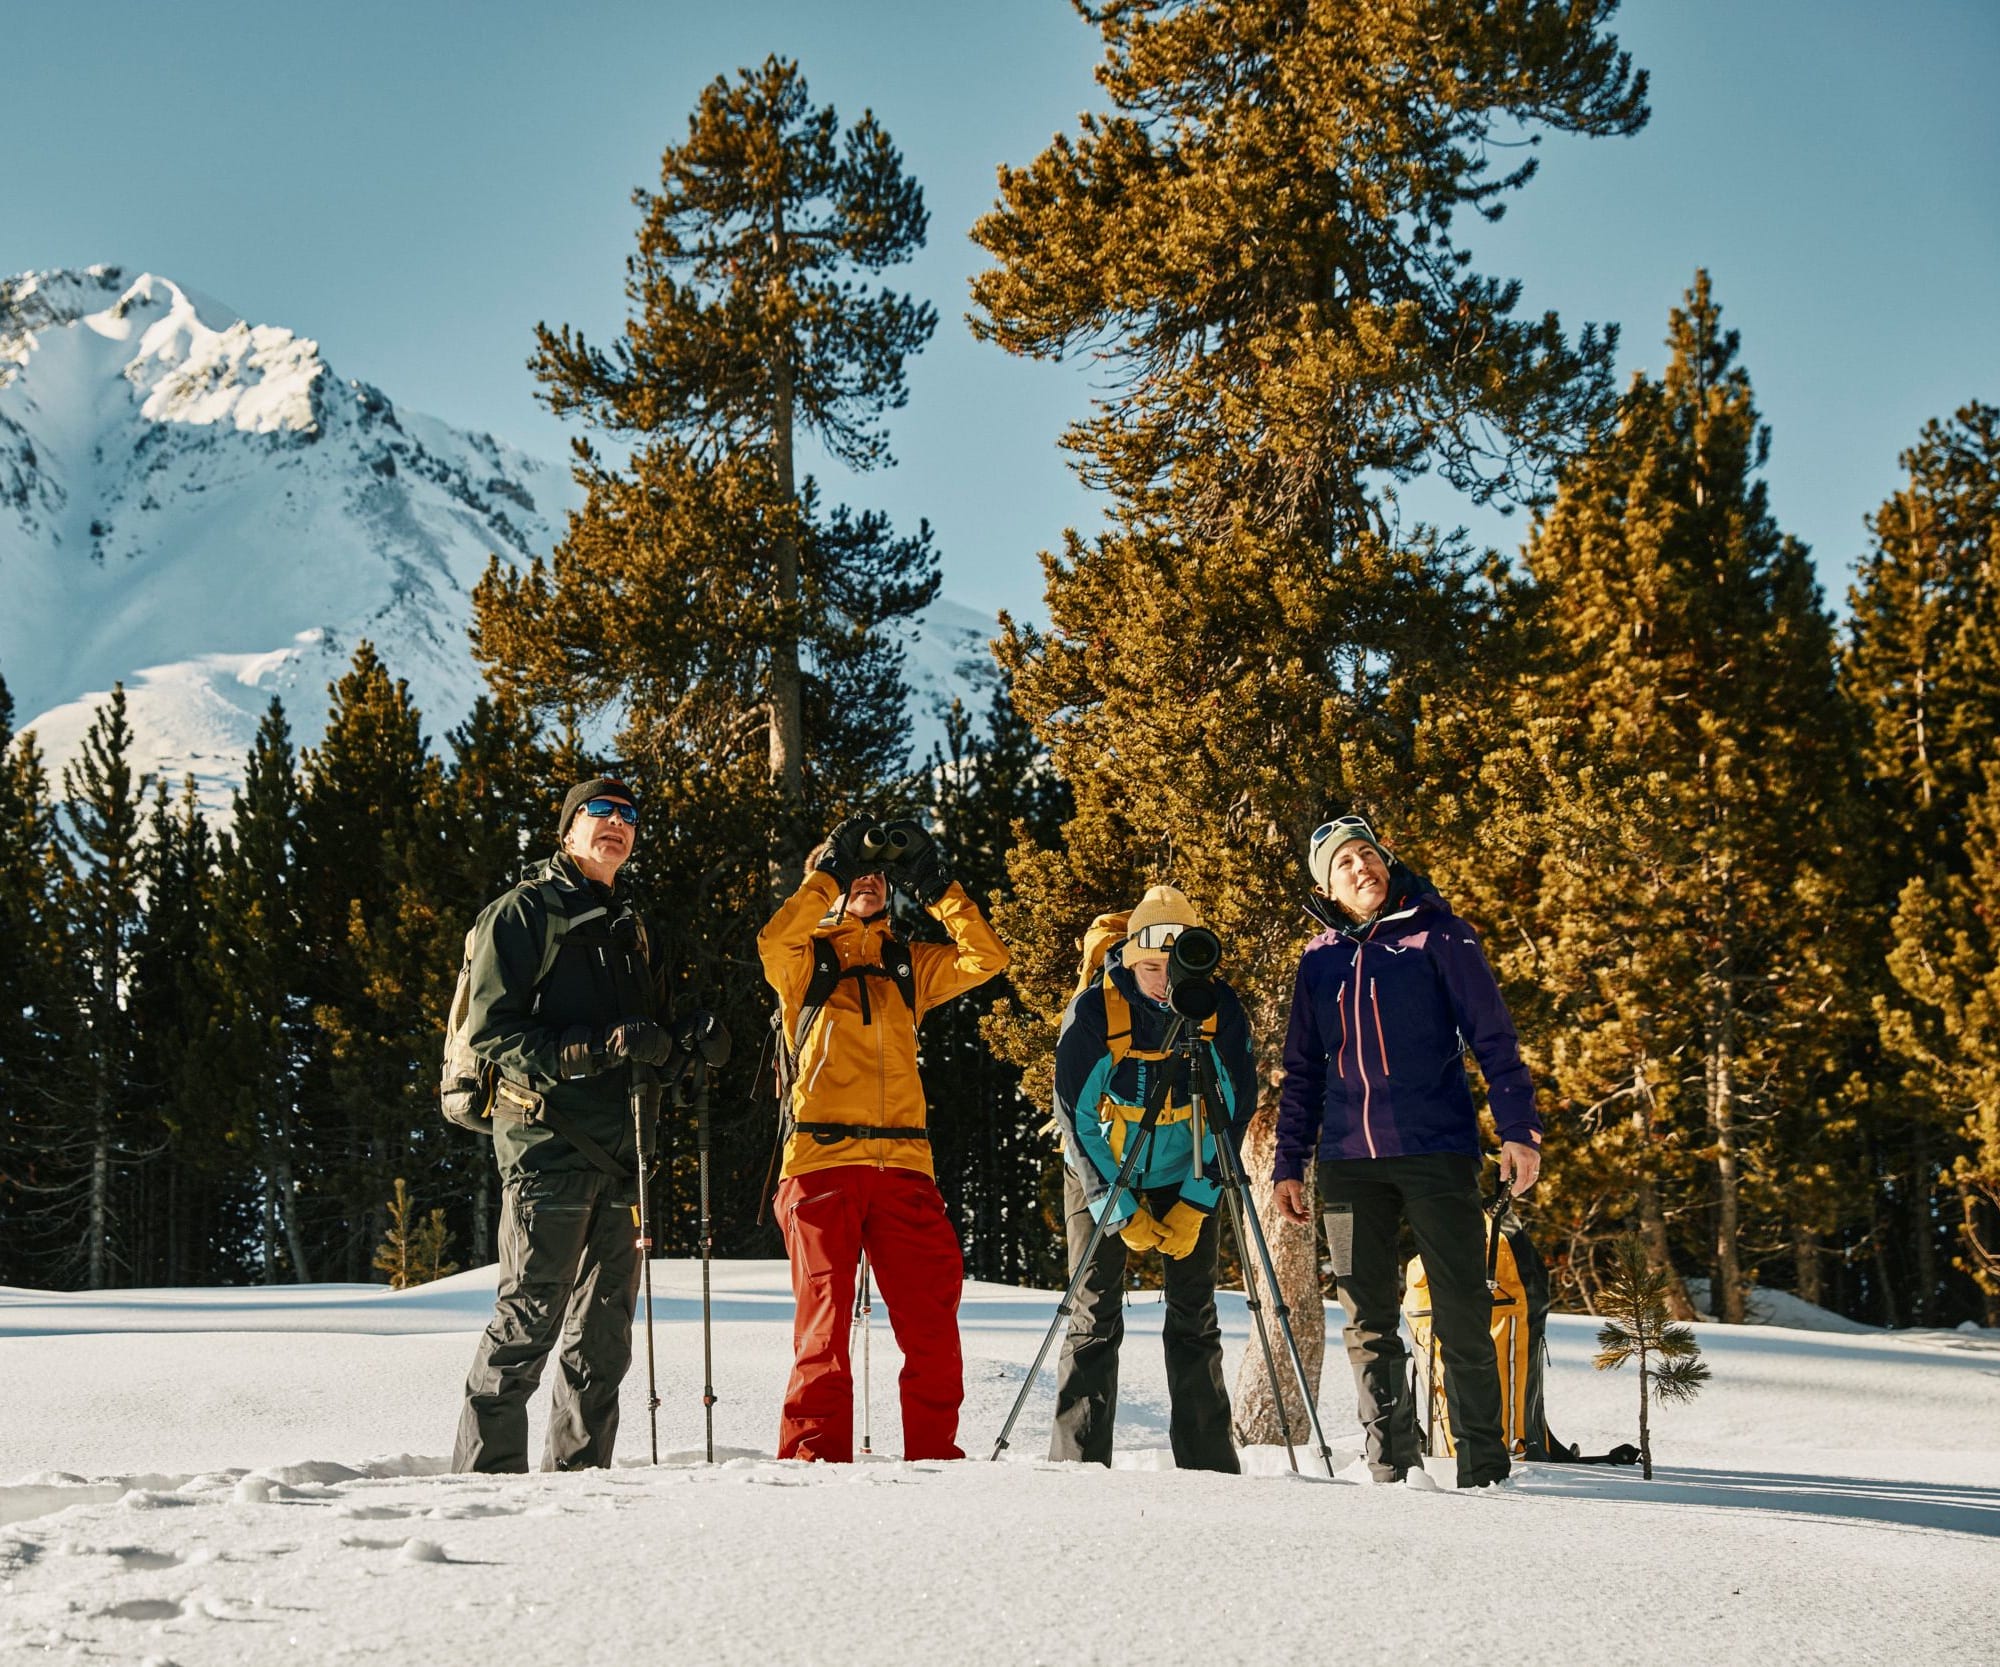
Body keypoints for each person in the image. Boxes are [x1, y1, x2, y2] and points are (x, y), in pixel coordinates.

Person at [1273, 816, 1542, 1490]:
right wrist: (1288, 1163)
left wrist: (1519, 1129)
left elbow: (1495, 1039)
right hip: (1347, 1162)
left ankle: (1484, 1468)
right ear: (1327, 890)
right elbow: (1302, 1071)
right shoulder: (1318, 958)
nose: (1361, 867)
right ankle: (1391, 1466)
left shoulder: (1440, 934)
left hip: (1436, 1151)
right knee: (1367, 1321)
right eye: (1344, 865)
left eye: (1368, 853)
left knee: (1460, 1310)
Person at [758, 816, 1008, 1462]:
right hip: (819, 1163)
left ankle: (934, 1459)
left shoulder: (906, 964)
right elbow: (771, 938)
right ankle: (814, 1461)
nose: (866, 878)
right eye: (852, 872)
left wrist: (937, 883)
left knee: (931, 1323)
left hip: (905, 1166)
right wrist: (827, 873)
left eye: (877, 873)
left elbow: (987, 956)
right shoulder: (803, 960)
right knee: (824, 1326)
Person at [453, 776, 677, 1473]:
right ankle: (484, 1485)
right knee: (527, 1322)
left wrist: (683, 1041)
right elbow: (493, 1029)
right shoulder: (521, 914)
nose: (616, 823)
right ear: (568, 828)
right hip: (547, 1145)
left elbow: (646, 1039)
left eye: (628, 816)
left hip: (623, 1154)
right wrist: (586, 1050)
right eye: (600, 812)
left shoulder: (630, 927)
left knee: (603, 1339)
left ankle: (581, 1487)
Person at [1048, 885, 1256, 1472]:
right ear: (1130, 958)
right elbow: (1075, 1115)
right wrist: (1113, 1208)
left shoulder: (1218, 1007)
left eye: (1176, 966)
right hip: (1103, 1170)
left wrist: (1198, 1199)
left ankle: (1209, 1466)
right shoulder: (1096, 1009)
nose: (1164, 981)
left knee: (1195, 1317)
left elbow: (1236, 1108)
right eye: (1150, 967)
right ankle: (1078, 1468)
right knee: (1093, 1315)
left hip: (1186, 1167)